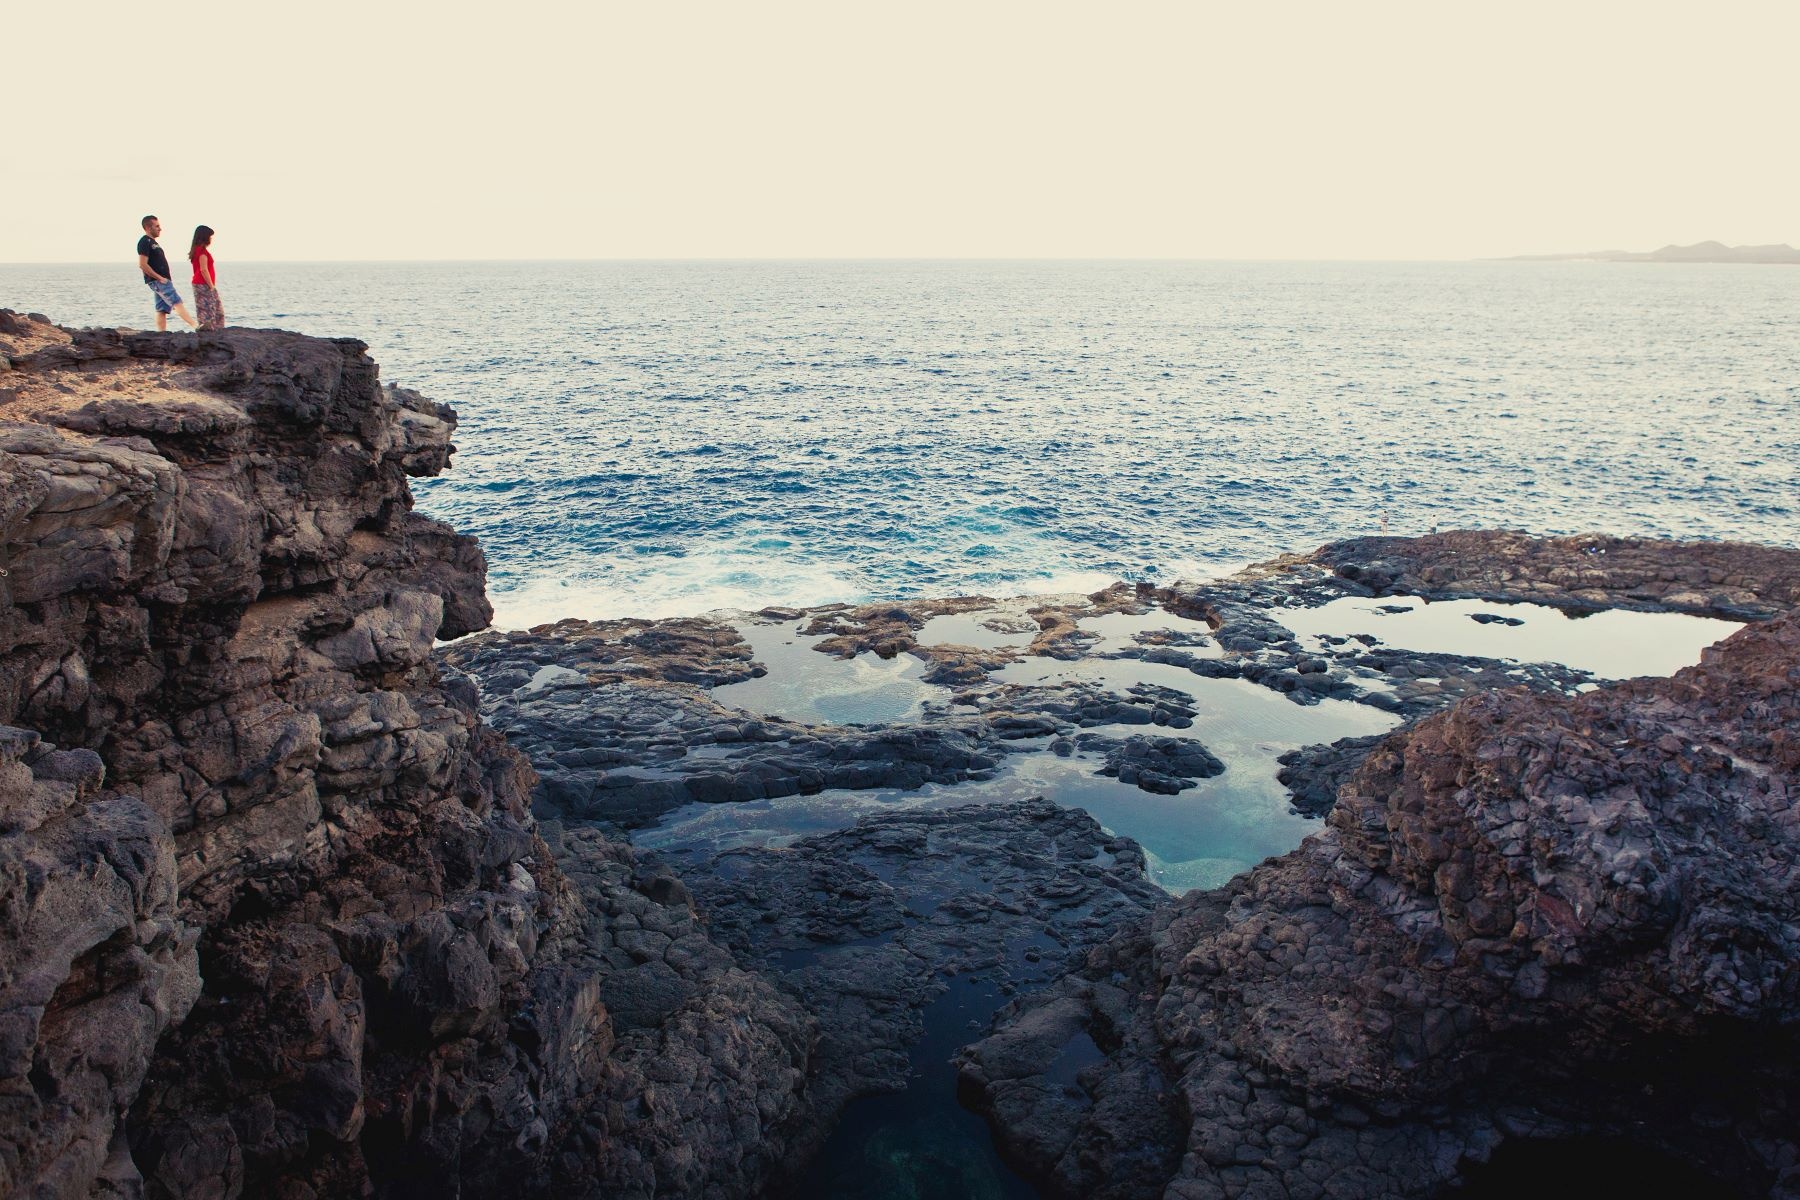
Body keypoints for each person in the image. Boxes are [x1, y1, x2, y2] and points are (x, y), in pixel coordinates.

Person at [135, 215, 197, 331]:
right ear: (148, 227)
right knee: (176, 301)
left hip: (161, 280)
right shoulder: (144, 242)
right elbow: (142, 264)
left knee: (161, 308)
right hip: (159, 280)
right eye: (157, 226)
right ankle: (196, 326)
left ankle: (161, 333)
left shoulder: (153, 242)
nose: (160, 229)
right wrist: (159, 278)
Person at [189, 225, 225, 330]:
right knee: (213, 311)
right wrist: (211, 286)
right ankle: (213, 331)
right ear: (205, 237)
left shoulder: (196, 250)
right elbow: (204, 270)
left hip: (199, 283)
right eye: (210, 237)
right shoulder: (202, 252)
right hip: (203, 284)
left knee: (204, 310)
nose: (211, 239)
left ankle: (208, 331)